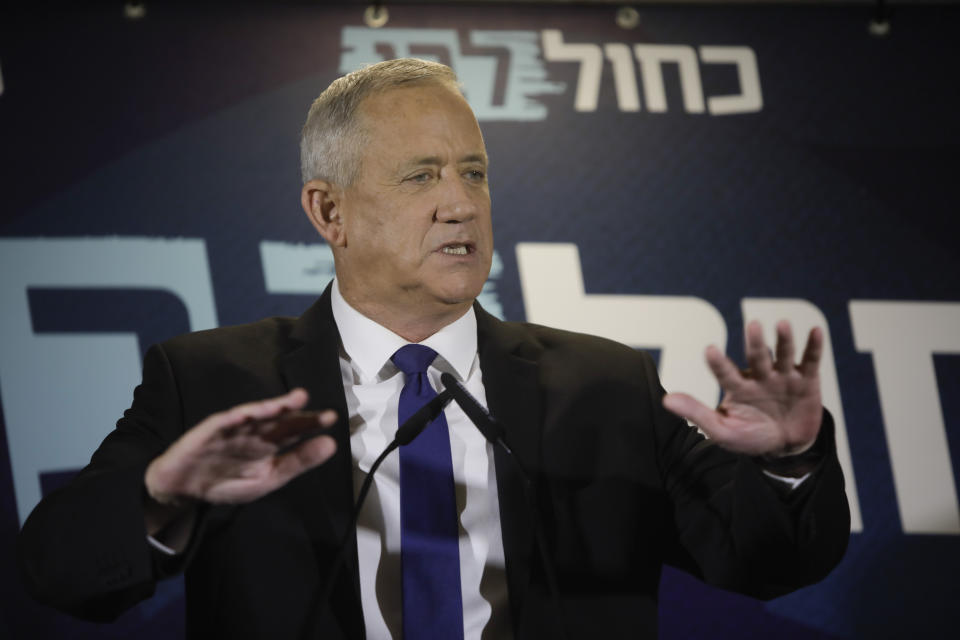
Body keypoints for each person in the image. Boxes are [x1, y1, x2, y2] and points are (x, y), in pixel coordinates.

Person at [18, 58, 849, 639]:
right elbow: (57, 573)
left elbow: (767, 562)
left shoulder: (604, 384)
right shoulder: (210, 381)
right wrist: (160, 495)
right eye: (421, 176)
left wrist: (790, 462)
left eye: (475, 174)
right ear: (328, 212)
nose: (460, 205)